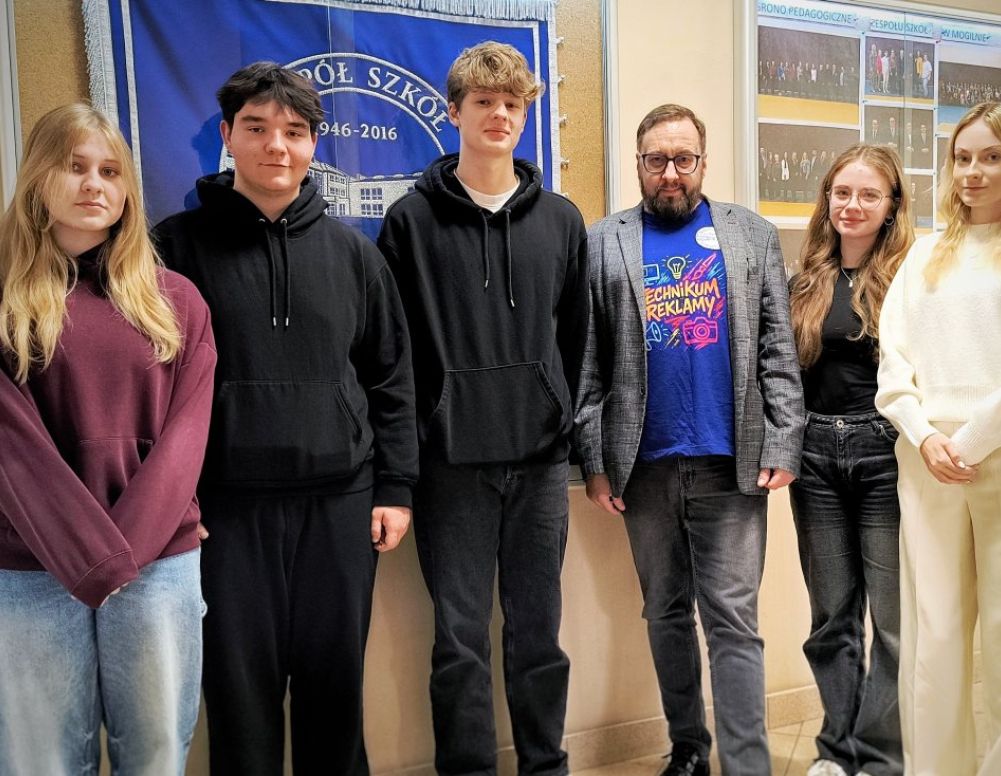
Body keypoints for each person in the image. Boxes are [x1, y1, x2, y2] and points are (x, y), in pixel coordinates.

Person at [154, 62, 418, 775]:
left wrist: (395, 488)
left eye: (295, 131)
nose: (277, 145)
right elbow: (149, 389)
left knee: (336, 691)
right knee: (239, 697)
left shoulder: (355, 256)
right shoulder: (172, 250)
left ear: (312, 145)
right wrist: (174, 502)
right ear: (227, 136)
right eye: (257, 128)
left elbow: (390, 379)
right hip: (224, 513)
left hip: (341, 505)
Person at [377, 41, 588, 776]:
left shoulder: (561, 221)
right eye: (484, 102)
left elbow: (575, 340)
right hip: (450, 466)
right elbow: (395, 352)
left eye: (512, 103)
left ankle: (544, 765)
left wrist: (563, 423)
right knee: (459, 642)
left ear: (525, 115)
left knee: (539, 637)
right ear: (454, 112)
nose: (499, 114)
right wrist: (411, 453)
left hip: (539, 465)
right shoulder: (409, 221)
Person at [575, 103, 804, 776]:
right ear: (638, 164)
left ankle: (747, 764)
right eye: (656, 160)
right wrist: (593, 459)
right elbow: (587, 360)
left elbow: (776, 349)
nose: (670, 173)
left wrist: (783, 442)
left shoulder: (750, 234)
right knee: (665, 613)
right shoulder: (602, 242)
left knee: (732, 620)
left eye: (683, 159)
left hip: (731, 464)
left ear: (703, 162)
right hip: (641, 466)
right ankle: (688, 750)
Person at [0, 103, 215, 774]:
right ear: (39, 179)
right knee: (40, 759)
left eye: (110, 171)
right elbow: (11, 446)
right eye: (75, 167)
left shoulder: (176, 301)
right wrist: (90, 554)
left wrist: (126, 552)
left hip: (156, 565)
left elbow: (186, 435)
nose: (94, 184)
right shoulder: (5, 300)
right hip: (29, 567)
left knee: (155, 750)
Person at [876, 100, 1001, 776]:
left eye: (991, 157)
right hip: (926, 461)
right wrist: (924, 435)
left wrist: (973, 439)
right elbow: (893, 360)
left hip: (994, 454)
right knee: (936, 633)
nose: (973, 172)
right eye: (963, 157)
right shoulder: (924, 254)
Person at [788, 144, 913, 776]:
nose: (853, 205)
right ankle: (837, 751)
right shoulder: (806, 278)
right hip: (814, 457)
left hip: (885, 455)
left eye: (868, 194)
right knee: (831, 619)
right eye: (842, 192)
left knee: (891, 623)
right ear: (828, 200)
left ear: (891, 206)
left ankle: (880, 758)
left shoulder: (910, 279)